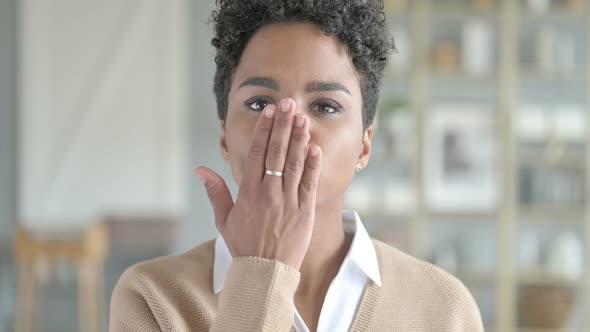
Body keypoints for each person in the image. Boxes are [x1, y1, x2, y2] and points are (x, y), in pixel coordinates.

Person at [109, 0, 484, 331]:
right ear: (225, 136)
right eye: (259, 104)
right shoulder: (153, 300)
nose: (291, 130)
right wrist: (261, 272)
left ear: (364, 145)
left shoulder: (444, 308)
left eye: (325, 106)